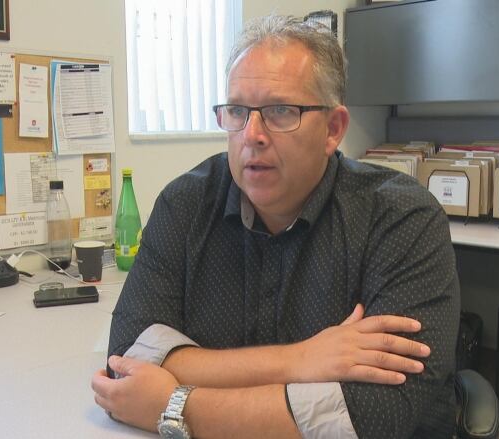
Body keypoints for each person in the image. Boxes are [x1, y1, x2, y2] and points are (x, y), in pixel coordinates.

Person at [92, 14, 459, 439]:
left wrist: (174, 405)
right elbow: (127, 357)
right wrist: (300, 360)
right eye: (237, 111)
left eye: (280, 111)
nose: (252, 134)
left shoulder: (401, 219)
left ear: (333, 129)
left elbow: (371, 416)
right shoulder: (186, 205)